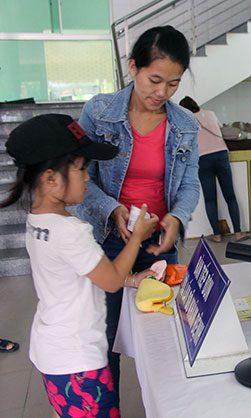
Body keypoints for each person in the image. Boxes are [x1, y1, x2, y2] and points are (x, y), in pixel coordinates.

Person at [1, 114, 159, 417]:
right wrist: (137, 237)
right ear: (50, 178)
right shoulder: (71, 231)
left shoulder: (38, 221)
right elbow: (109, 280)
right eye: (81, 168)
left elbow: (86, 272)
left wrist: (132, 278)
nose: (88, 177)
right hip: (78, 362)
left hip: (51, 351)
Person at [76, 26, 200, 392]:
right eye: (155, 80)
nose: (161, 93)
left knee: (162, 333)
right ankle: (104, 408)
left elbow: (190, 183)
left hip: (158, 242)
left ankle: (168, 405)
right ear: (133, 67)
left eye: (173, 84)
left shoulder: (184, 124)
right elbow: (78, 178)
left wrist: (177, 217)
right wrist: (112, 210)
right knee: (106, 335)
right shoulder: (100, 113)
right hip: (108, 239)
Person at [179, 96, 251, 243]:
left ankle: (217, 235)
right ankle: (238, 233)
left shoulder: (184, 121)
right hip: (221, 155)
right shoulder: (210, 113)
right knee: (230, 196)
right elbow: (220, 130)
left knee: (210, 198)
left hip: (202, 159)